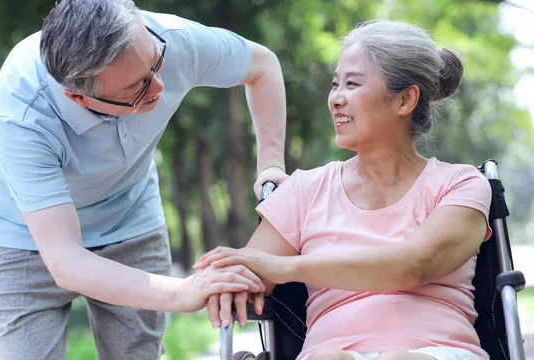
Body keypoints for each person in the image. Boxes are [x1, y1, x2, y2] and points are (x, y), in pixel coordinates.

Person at [0, 0, 286, 359]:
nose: (160, 86)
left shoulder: (171, 40)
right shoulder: (23, 113)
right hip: (22, 235)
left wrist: (271, 163)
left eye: (155, 64)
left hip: (128, 215)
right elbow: (66, 262)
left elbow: (262, 66)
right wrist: (184, 292)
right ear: (79, 97)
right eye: (137, 88)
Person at [195, 20, 492, 360]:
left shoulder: (462, 185)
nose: (335, 99)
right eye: (335, 85)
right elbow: (245, 276)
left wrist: (285, 267)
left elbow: (415, 265)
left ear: (406, 99)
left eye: (352, 84)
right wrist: (230, 283)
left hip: (437, 352)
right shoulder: (304, 190)